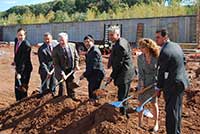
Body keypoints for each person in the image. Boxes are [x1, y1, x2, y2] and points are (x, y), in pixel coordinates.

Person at [155, 29, 189, 134]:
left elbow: (161, 72)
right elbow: (184, 60)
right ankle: (177, 131)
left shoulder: (165, 52)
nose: (156, 40)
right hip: (181, 82)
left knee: (171, 112)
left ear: (165, 37)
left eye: (158, 37)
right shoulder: (176, 45)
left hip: (173, 85)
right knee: (177, 110)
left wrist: (158, 87)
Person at [106, 26, 135, 115]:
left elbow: (118, 64)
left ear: (118, 34)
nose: (110, 37)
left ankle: (123, 114)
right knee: (124, 94)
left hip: (124, 74)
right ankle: (124, 110)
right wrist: (109, 63)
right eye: (109, 35)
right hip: (125, 72)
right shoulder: (121, 41)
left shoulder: (120, 46)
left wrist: (112, 76)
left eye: (112, 35)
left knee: (122, 95)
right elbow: (114, 56)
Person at [137, 38, 160, 132]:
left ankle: (156, 123)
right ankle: (140, 123)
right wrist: (142, 86)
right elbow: (141, 73)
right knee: (140, 103)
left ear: (149, 47)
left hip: (154, 83)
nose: (141, 49)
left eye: (143, 47)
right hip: (143, 82)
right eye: (140, 47)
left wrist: (157, 82)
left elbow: (159, 71)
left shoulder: (157, 57)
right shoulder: (140, 58)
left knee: (154, 103)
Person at [52, 32, 80, 101]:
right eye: (60, 40)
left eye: (62, 40)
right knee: (62, 86)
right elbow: (56, 64)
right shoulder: (56, 49)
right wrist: (62, 73)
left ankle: (72, 98)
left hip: (70, 69)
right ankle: (61, 99)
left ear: (67, 39)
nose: (61, 42)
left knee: (70, 85)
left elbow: (76, 57)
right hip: (61, 70)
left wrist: (76, 65)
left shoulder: (72, 46)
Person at [80, 35, 105, 101]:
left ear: (92, 42)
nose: (87, 43)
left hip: (96, 76)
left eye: (88, 41)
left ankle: (94, 106)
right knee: (91, 92)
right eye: (85, 42)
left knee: (94, 94)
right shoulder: (90, 50)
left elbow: (92, 66)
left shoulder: (94, 51)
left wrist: (84, 74)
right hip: (93, 75)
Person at [13, 28, 33, 101]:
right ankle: (17, 102)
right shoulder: (16, 41)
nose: (20, 37)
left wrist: (19, 73)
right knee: (17, 86)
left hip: (25, 69)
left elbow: (23, 61)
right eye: (19, 35)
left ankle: (23, 103)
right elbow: (17, 53)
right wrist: (15, 61)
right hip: (18, 67)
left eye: (21, 35)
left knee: (23, 87)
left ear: (25, 36)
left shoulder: (26, 45)